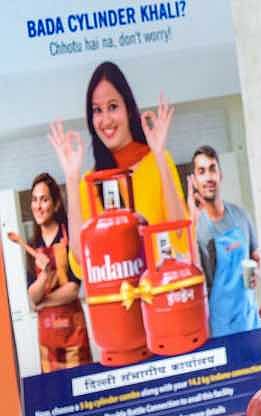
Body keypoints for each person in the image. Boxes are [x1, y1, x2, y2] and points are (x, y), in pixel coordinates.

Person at [46, 61, 188, 283]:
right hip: (118, 301)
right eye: (97, 110)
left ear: (128, 109)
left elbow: (180, 235)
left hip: (162, 294)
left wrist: (159, 154)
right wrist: (71, 179)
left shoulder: (158, 160)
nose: (106, 120)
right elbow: (82, 261)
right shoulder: (91, 182)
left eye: (113, 107)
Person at [15, 173, 92, 371]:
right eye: (34, 200)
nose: (38, 206)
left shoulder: (69, 238)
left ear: (56, 204)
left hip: (74, 334)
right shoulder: (33, 245)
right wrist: (44, 274)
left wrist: (44, 303)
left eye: (44, 199)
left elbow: (73, 289)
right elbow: (33, 296)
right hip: (47, 340)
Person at [189, 145, 261, 336]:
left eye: (212, 169)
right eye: (201, 171)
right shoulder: (195, 228)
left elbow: (256, 257)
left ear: (220, 174)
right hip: (218, 328)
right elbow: (193, 279)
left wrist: (256, 271)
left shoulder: (240, 216)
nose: (208, 177)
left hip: (249, 320)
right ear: (194, 180)